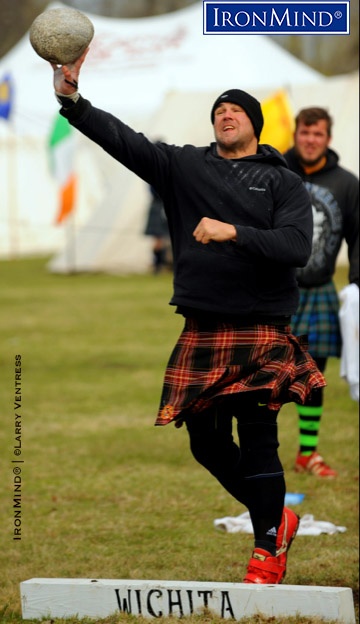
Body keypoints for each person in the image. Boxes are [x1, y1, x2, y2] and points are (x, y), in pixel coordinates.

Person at [51, 50, 326, 584]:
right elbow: (124, 142)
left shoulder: (281, 181)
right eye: (219, 109)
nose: (226, 114)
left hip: (261, 324)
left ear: (254, 122)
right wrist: (73, 103)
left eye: (237, 109)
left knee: (258, 432)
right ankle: (277, 515)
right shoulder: (185, 166)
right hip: (203, 325)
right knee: (204, 441)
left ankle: (267, 547)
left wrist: (233, 232)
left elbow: (297, 246)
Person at [284, 107, 359, 478]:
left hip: (320, 290)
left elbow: (358, 237)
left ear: (327, 139)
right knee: (266, 376)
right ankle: (260, 455)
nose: (310, 140)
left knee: (313, 374)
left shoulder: (346, 183)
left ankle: (307, 453)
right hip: (275, 291)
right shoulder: (274, 171)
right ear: (295, 134)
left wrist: (357, 282)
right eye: (304, 132)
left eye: (318, 134)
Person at [144, 182, 172, 274]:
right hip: (159, 205)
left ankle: (164, 264)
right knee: (158, 240)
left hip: (166, 204)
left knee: (167, 239)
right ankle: (158, 265)